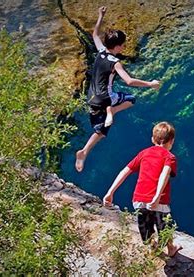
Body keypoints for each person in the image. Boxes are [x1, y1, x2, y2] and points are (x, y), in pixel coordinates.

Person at [75, 6, 160, 172]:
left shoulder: (100, 52)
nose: (123, 48)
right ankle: (111, 111)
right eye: (122, 45)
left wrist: (100, 15)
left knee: (100, 130)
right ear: (118, 46)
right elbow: (129, 81)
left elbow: (94, 34)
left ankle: (84, 151)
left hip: (91, 98)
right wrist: (150, 84)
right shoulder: (115, 62)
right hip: (106, 97)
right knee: (131, 100)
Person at [103, 122, 182, 257]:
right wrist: (157, 196)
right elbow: (165, 174)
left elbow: (125, 171)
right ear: (172, 141)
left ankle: (153, 247)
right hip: (159, 201)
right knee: (165, 225)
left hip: (139, 199)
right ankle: (170, 248)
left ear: (152, 139)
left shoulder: (144, 153)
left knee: (146, 227)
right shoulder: (170, 157)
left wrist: (110, 192)